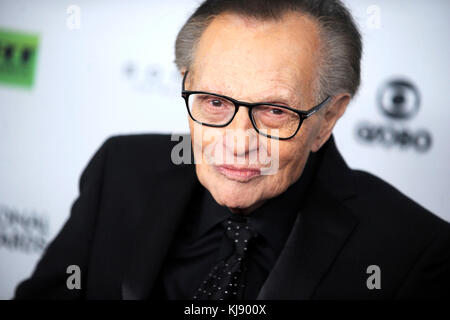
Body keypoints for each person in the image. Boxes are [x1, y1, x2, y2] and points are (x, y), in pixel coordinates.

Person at [15, 0, 450, 300]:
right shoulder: (121, 171)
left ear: (329, 117)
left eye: (275, 110)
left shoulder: (412, 251)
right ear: (186, 85)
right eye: (215, 102)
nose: (239, 142)